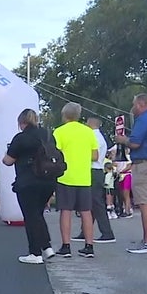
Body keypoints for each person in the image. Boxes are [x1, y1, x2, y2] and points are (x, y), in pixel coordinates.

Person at [115, 93, 147, 254]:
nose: (133, 108)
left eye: (134, 104)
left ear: (140, 104)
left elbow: (135, 143)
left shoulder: (143, 119)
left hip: (146, 164)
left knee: (145, 203)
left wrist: (122, 140)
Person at [3, 109, 57, 264]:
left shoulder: (21, 138)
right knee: (37, 214)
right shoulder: (48, 135)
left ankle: (35, 253)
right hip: (48, 180)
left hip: (28, 181)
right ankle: (46, 247)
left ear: (22, 123)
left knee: (31, 216)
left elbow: (8, 160)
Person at [53, 102, 99, 258]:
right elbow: (95, 156)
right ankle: (89, 246)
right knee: (86, 212)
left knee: (65, 211)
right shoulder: (88, 132)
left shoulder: (59, 132)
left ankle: (66, 246)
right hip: (84, 177)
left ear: (64, 115)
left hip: (65, 176)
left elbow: (55, 153)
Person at [70, 116, 116, 244]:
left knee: (96, 203)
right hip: (96, 170)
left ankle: (107, 233)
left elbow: (92, 155)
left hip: (93, 170)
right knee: (89, 203)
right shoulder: (99, 137)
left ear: (90, 123)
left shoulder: (93, 137)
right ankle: (85, 231)